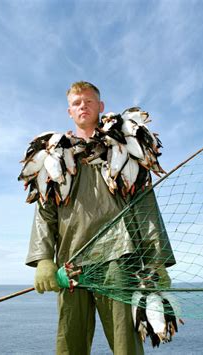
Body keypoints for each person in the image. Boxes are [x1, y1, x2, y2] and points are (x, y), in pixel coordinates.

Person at [25, 81, 175, 355]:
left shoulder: (126, 148)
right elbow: (45, 210)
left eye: (89, 101)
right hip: (71, 265)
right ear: (69, 111)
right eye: (77, 103)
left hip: (119, 259)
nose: (83, 106)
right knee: (69, 343)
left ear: (101, 106)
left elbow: (146, 207)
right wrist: (44, 259)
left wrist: (157, 260)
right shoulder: (53, 155)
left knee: (125, 343)